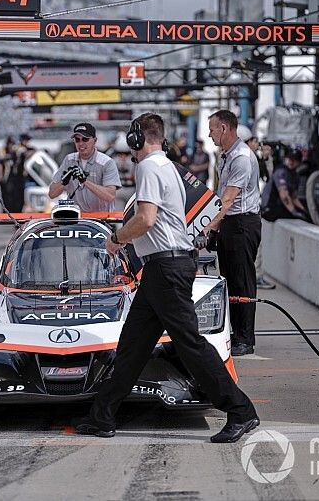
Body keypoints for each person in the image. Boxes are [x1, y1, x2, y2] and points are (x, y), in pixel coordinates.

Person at [75, 112, 260, 443]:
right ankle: (102, 415)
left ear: (137, 138)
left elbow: (145, 219)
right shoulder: (168, 166)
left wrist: (117, 239)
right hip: (163, 268)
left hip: (166, 268)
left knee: (190, 345)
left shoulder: (148, 167)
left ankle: (240, 410)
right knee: (133, 345)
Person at [200, 110, 261, 357]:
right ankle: (237, 333)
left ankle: (246, 339)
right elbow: (220, 196)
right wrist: (216, 228)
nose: (210, 135)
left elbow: (228, 200)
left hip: (242, 224)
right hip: (229, 223)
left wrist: (207, 227)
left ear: (224, 128)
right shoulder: (226, 156)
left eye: (212, 129)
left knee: (242, 281)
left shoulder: (242, 158)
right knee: (230, 281)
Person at [49, 122, 121, 212]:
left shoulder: (106, 162)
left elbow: (110, 196)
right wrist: (63, 182)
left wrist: (85, 181)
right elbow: (51, 194)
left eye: (85, 139)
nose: (81, 143)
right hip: (76, 217)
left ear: (95, 140)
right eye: (77, 140)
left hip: (101, 217)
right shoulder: (69, 160)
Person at [246, 136, 276, 290]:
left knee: (256, 245)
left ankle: (255, 276)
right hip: (246, 211)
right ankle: (255, 276)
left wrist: (267, 159)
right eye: (254, 141)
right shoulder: (244, 160)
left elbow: (269, 178)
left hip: (252, 209)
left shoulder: (255, 160)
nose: (258, 145)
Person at [260, 149, 309, 222]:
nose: (291, 162)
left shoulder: (295, 175)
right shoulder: (281, 171)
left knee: (305, 217)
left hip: (280, 207)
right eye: (290, 159)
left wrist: (304, 210)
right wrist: (294, 212)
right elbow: (284, 196)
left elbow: (294, 197)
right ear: (286, 159)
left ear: (299, 162)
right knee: (297, 218)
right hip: (269, 209)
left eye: (295, 160)